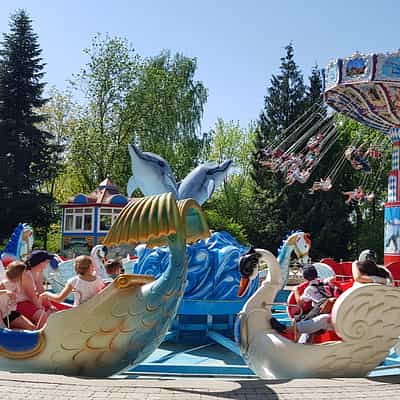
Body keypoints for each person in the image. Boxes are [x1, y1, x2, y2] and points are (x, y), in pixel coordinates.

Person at [270, 264, 338, 342]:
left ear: (305, 277)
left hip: (325, 312)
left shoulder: (309, 289)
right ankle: (304, 342)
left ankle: (288, 330)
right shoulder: (325, 282)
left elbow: (300, 303)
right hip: (331, 309)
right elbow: (333, 279)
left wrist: (295, 290)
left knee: (311, 319)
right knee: (313, 320)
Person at [39, 255, 105, 307]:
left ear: (76, 267)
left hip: (78, 312)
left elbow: (59, 299)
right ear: (91, 266)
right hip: (94, 310)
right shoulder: (99, 280)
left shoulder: (73, 281)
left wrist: (46, 294)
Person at [17, 250, 55, 328]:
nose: (48, 263)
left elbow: (41, 290)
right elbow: (32, 297)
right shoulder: (26, 274)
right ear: (41, 262)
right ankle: (40, 333)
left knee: (53, 312)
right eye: (47, 261)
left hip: (29, 301)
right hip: (19, 303)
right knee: (43, 316)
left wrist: (50, 306)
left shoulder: (39, 271)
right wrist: (42, 309)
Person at [0, 261, 35, 330]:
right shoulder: (4, 283)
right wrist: (6, 291)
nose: (26, 273)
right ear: (19, 274)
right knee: (31, 329)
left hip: (13, 312)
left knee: (33, 328)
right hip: (6, 315)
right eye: (24, 272)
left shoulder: (17, 283)